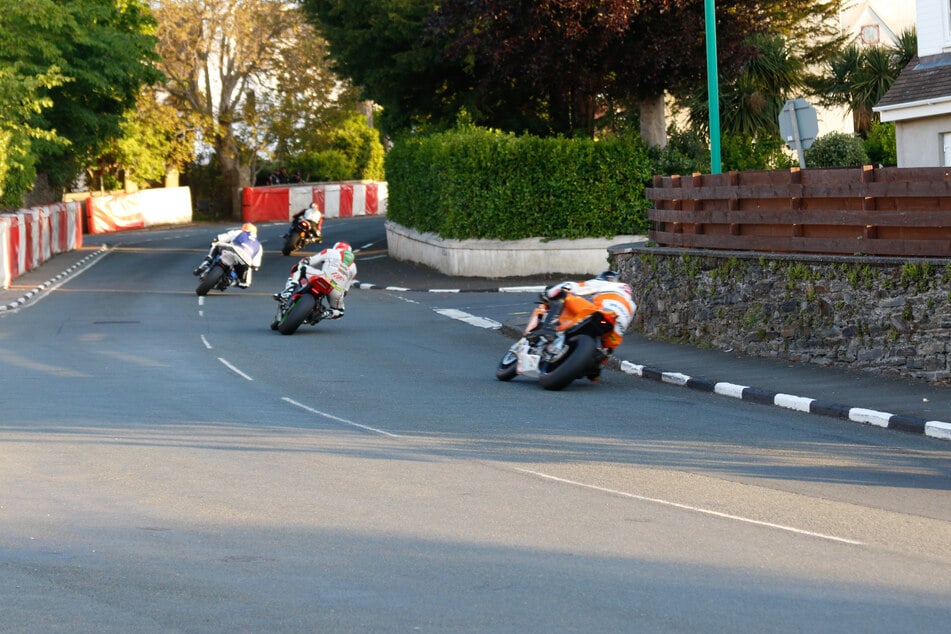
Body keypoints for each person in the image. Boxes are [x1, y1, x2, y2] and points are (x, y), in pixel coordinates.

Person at [543, 270, 636, 381]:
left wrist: (550, 292)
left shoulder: (603, 283)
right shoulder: (632, 303)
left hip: (600, 312)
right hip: (615, 329)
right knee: (608, 349)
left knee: (564, 296)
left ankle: (548, 328)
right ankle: (596, 370)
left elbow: (574, 286)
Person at [274, 241, 357, 319]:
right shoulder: (354, 267)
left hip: (324, 277)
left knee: (298, 267)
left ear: (336, 248)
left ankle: (288, 292)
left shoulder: (330, 251)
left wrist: (303, 262)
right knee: (339, 311)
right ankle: (324, 314)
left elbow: (309, 261)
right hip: (337, 289)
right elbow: (345, 291)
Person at [193, 222, 263, 288]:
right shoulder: (259, 246)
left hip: (233, 250)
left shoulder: (240, 232)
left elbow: (219, 238)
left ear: (245, 229)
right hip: (246, 260)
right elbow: (255, 266)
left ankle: (207, 262)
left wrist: (213, 242)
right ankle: (231, 282)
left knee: (216, 245)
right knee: (246, 284)